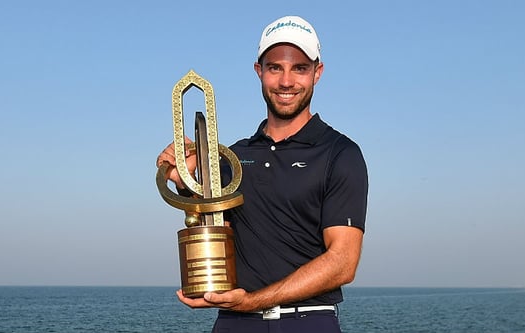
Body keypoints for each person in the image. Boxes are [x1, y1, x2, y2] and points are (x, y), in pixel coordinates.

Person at [156, 15, 368, 333]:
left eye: (299, 68)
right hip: (234, 323)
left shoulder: (340, 154)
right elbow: (216, 233)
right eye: (275, 68)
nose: (286, 82)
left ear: (317, 73)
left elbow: (342, 263)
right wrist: (184, 182)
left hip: (308, 322)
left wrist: (254, 301)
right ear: (259, 71)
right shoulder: (233, 158)